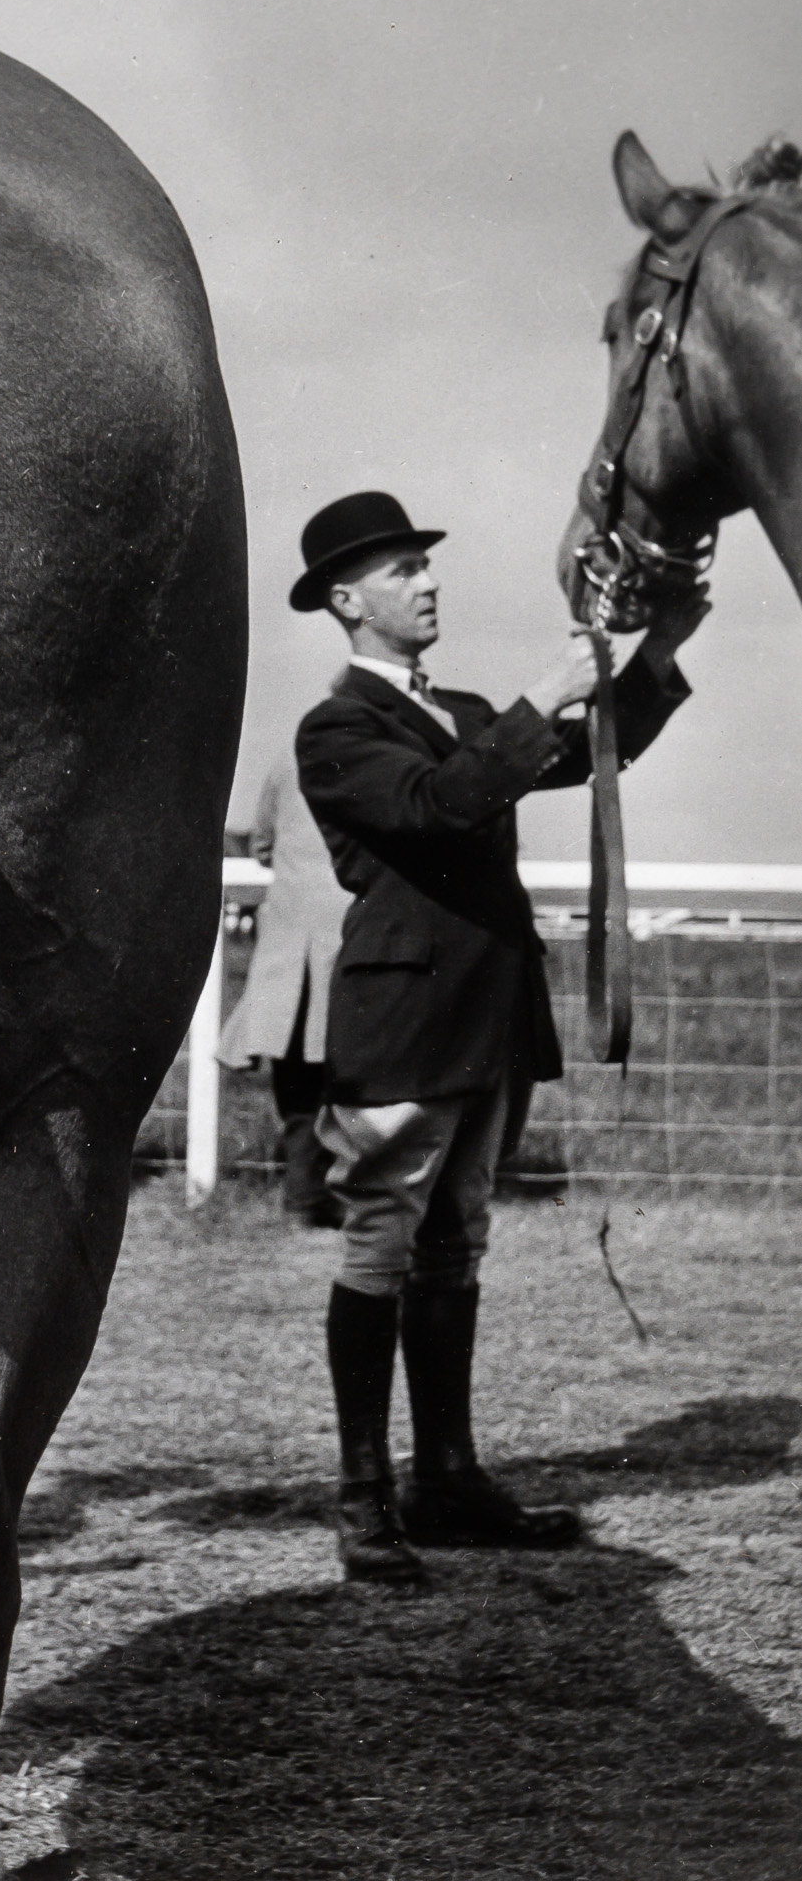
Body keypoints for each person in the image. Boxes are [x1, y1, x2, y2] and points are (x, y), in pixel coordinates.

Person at [291, 490, 706, 1583]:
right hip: (404, 1019)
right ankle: (362, 1498)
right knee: (382, 1242)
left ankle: (447, 1477)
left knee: (453, 1240)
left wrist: (653, 651)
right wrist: (542, 693)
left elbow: (577, 753)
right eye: (399, 570)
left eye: (425, 565)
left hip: (482, 1015)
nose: (427, 581)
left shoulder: (462, 705)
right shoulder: (336, 726)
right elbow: (437, 806)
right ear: (346, 600)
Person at [218, 754, 350, 1225]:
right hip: (354, 932)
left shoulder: (288, 763)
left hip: (293, 929)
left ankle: (305, 1197)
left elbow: (263, 845)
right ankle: (333, 1193)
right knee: (352, 1076)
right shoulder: (393, 754)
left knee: (296, 1080)